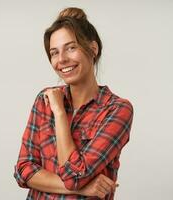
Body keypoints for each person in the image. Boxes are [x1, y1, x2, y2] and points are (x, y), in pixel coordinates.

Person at [14, 7, 134, 200]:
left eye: (71, 48)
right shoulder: (44, 100)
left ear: (93, 49)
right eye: (54, 52)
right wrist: (82, 188)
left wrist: (60, 113)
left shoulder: (117, 110)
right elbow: (23, 170)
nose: (61, 59)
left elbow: (73, 177)